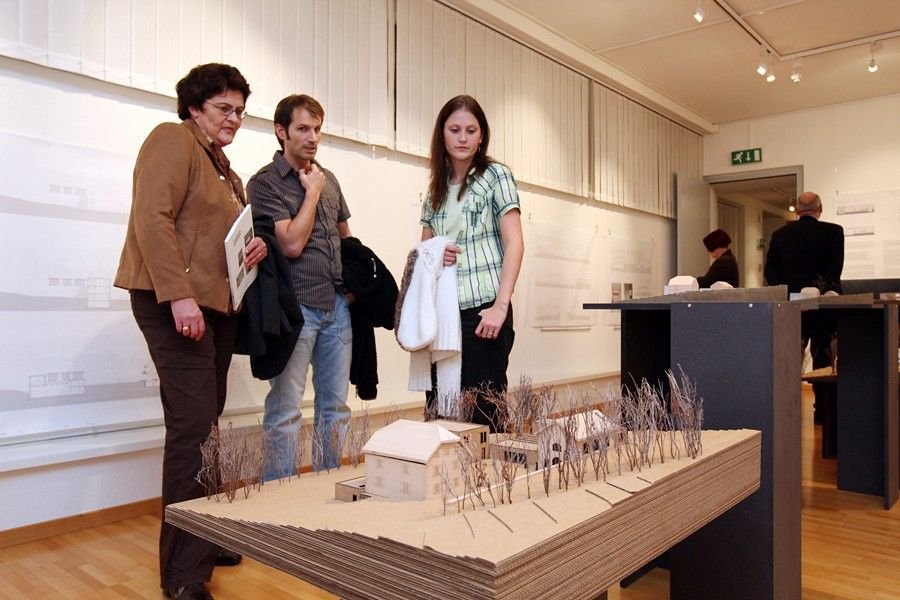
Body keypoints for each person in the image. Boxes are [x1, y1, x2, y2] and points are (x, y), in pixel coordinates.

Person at [114, 63, 267, 600]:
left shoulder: (223, 167)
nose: (234, 118)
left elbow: (213, 238)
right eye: (224, 108)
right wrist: (178, 295)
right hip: (173, 303)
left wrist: (252, 249)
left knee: (207, 425)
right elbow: (152, 217)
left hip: (214, 308)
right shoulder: (172, 140)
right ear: (194, 107)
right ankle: (183, 575)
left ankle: (204, 537)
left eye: (240, 111)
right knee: (193, 431)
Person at [247, 94, 353, 477]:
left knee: (335, 409)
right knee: (286, 410)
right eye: (303, 129)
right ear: (282, 131)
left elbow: (345, 238)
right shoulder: (264, 183)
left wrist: (351, 288)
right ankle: (280, 496)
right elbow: (290, 243)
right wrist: (311, 193)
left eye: (317, 129)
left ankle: (328, 486)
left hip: (335, 306)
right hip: (294, 309)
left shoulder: (329, 178)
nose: (313, 138)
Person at [419, 94, 524, 431]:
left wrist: (500, 307)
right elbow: (423, 254)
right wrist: (437, 251)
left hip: (483, 311)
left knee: (485, 414)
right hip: (443, 314)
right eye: (454, 130)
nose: (462, 138)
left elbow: (515, 243)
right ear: (442, 134)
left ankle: (491, 469)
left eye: (471, 130)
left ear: (481, 136)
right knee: (442, 412)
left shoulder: (496, 176)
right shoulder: (433, 191)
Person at [764, 191, 844, 421]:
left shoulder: (780, 235)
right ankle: (824, 412)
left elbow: (771, 272)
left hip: (792, 308)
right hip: (823, 308)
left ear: (798, 211)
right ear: (820, 209)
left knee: (789, 361)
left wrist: (791, 294)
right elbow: (834, 270)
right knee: (824, 361)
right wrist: (817, 292)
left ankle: (785, 414)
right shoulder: (833, 232)